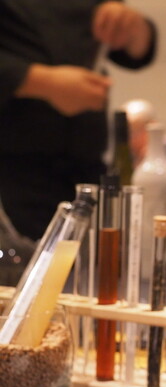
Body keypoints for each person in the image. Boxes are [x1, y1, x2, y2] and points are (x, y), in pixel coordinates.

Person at [0, 1, 157, 240]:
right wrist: (41, 82)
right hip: (13, 170)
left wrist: (133, 26)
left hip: (86, 167)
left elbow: (136, 53)